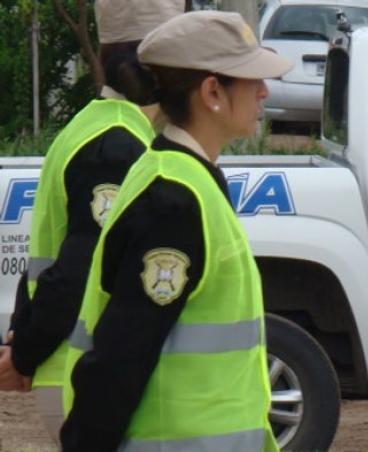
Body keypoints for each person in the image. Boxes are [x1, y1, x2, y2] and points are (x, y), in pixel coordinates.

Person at [60, 11, 293, 452]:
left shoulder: (181, 179)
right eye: (252, 79)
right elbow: (119, 358)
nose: (264, 91)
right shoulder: (173, 201)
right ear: (212, 92)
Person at [0, 0, 184, 443]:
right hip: (84, 375)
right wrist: (24, 353)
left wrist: (23, 341)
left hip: (80, 371)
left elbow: (50, 254)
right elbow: (77, 270)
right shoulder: (115, 147)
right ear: (154, 67)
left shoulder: (95, 126)